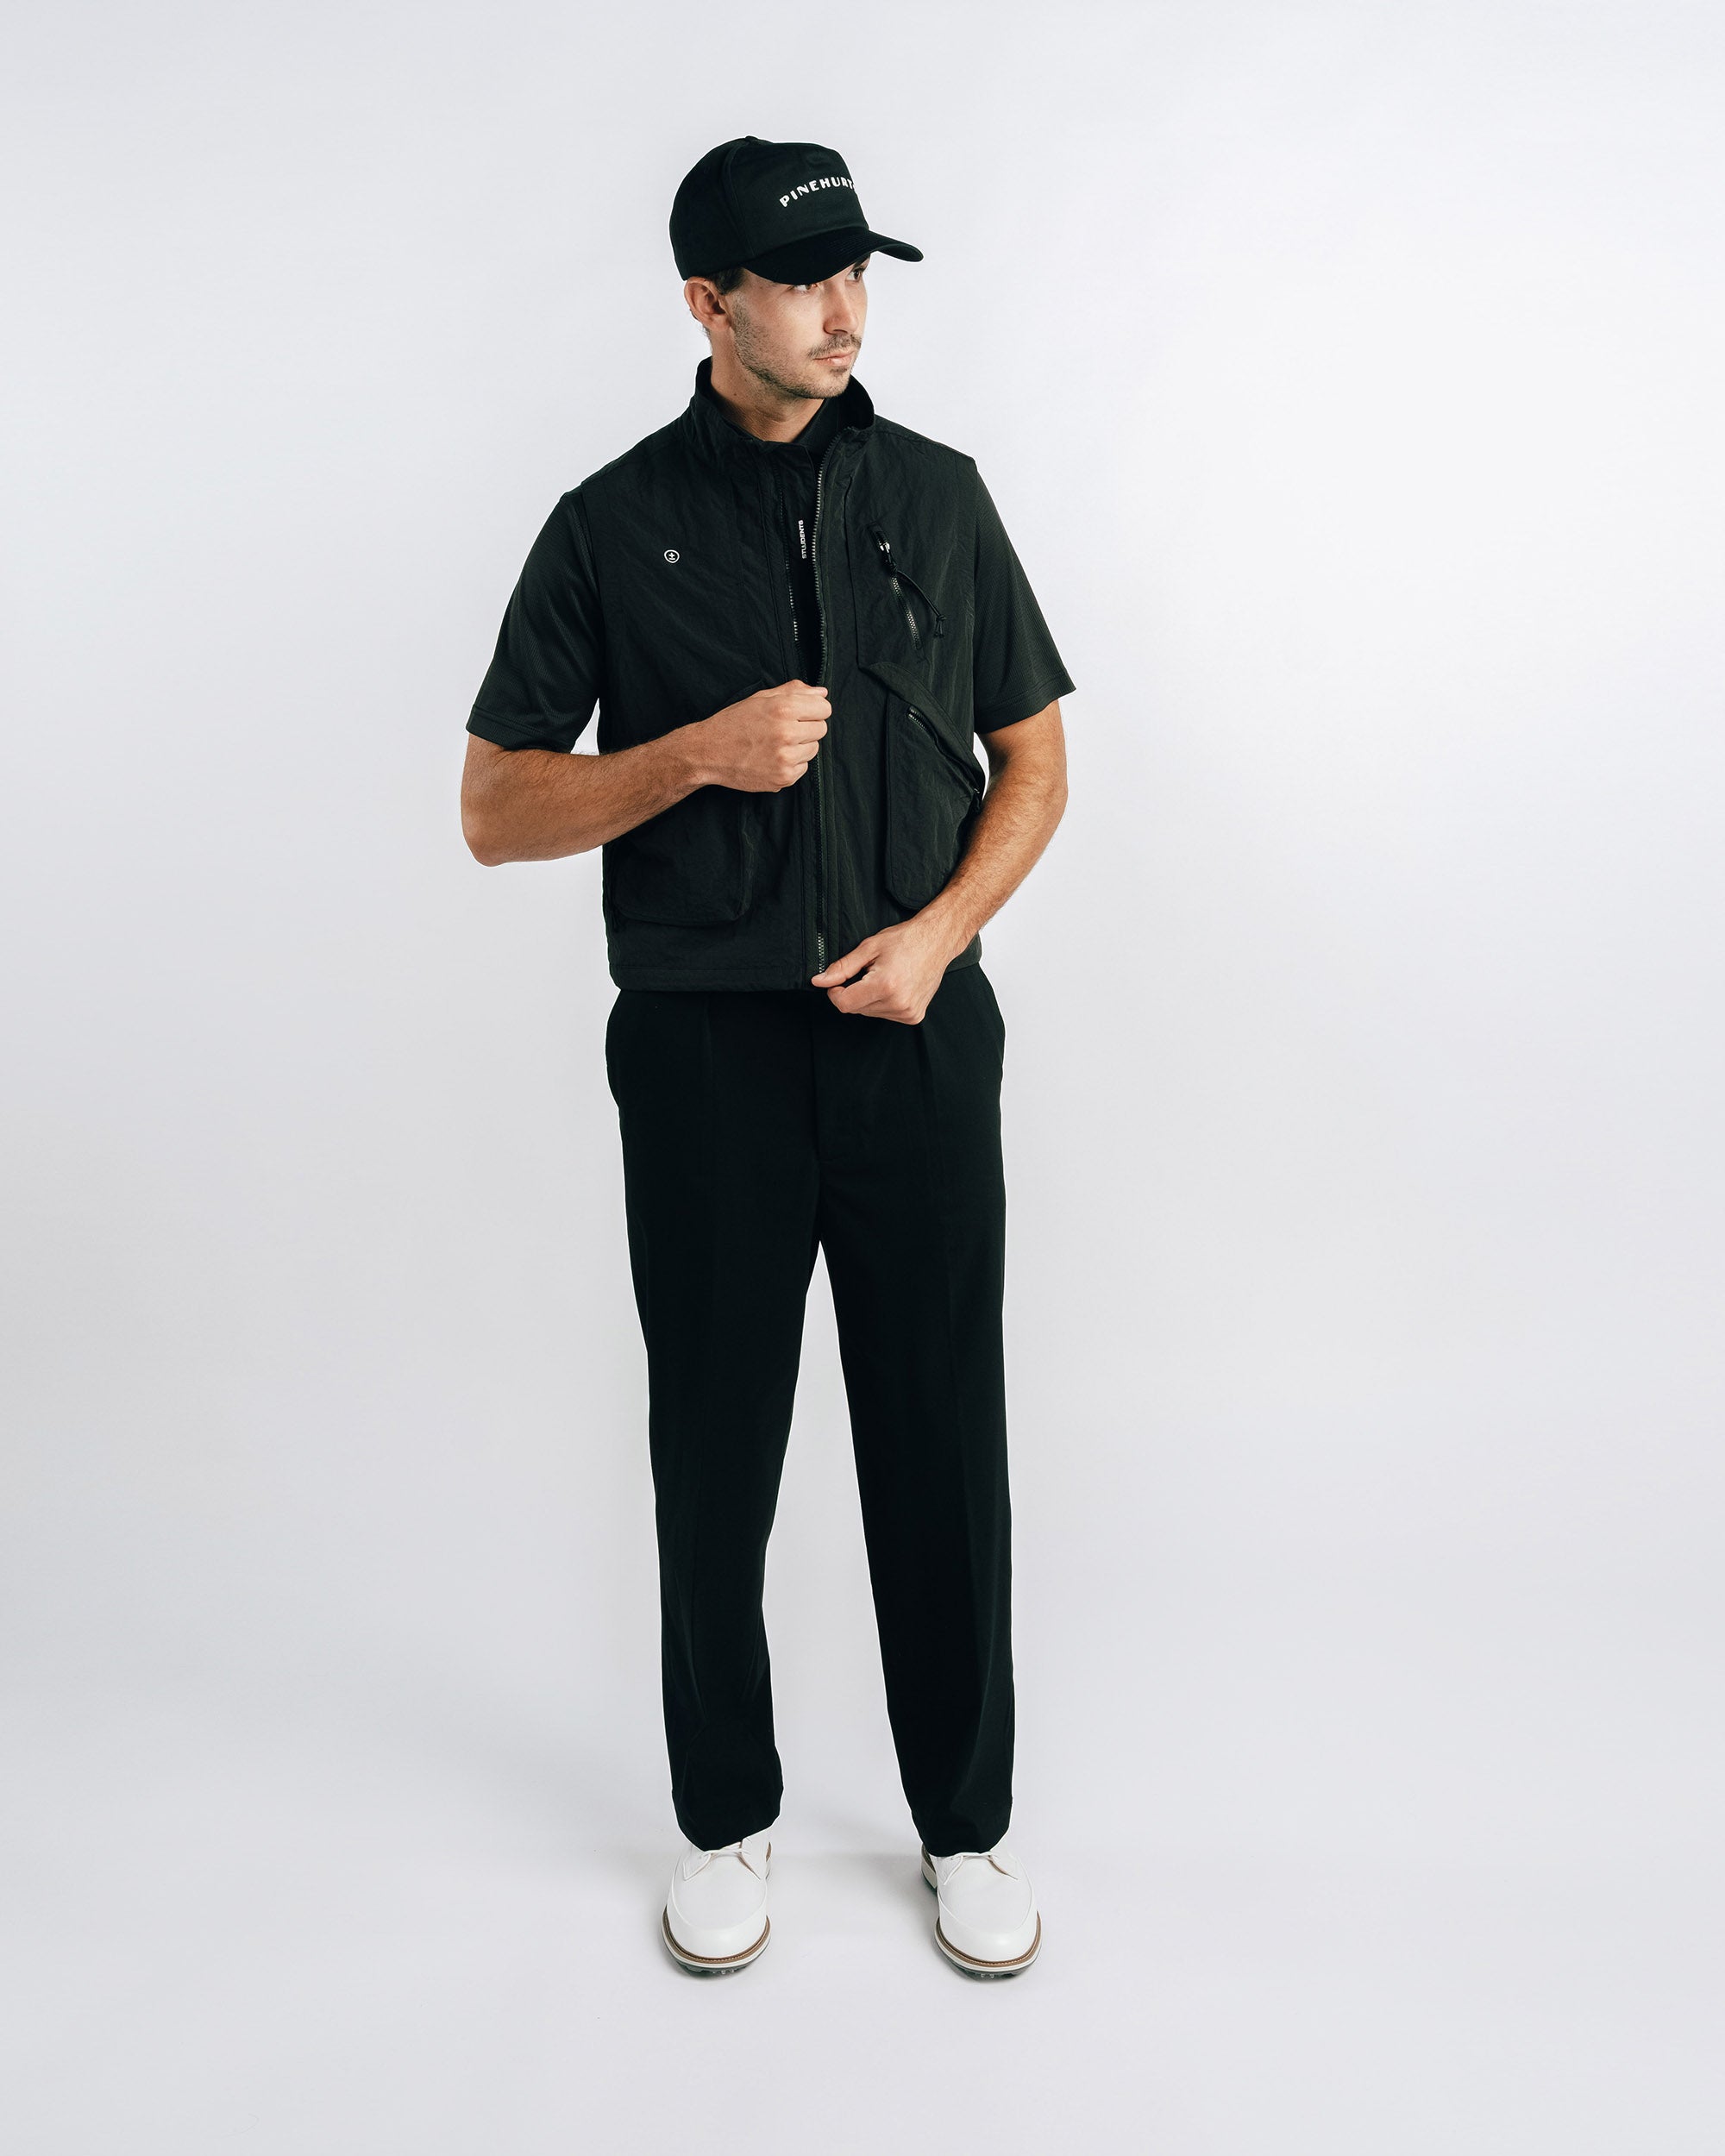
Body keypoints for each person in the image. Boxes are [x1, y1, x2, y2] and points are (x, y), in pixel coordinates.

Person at [460, 135, 1074, 1978]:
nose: (842, 308)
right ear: (705, 304)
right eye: (801, 281)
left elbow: (1034, 758)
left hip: (914, 1043)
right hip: (709, 1057)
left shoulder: (946, 500)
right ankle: (726, 1817)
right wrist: (688, 756)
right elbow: (494, 806)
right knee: (713, 1447)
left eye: (854, 274)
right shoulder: (604, 523)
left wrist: (944, 934)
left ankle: (963, 1826)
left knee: (940, 1444)